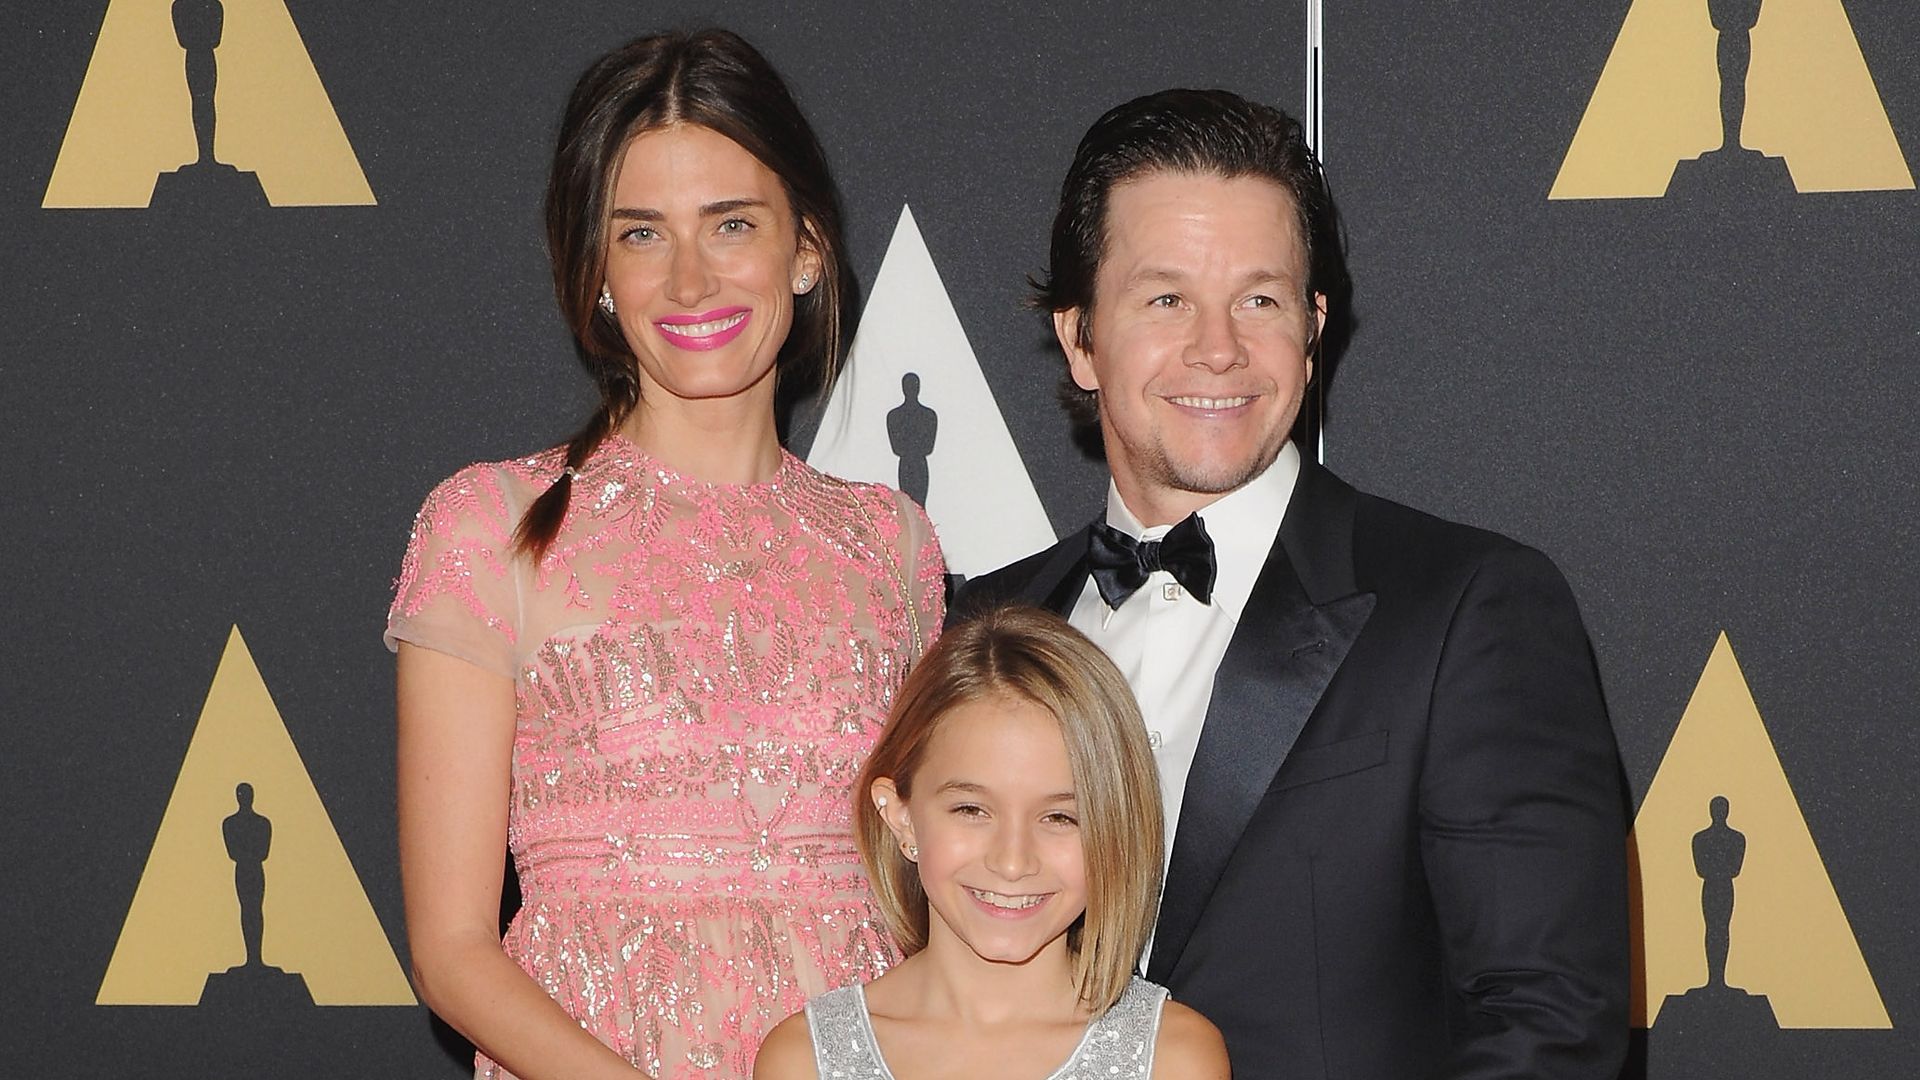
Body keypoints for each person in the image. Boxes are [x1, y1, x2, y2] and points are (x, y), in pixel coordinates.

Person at [954, 89, 1630, 1078]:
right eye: (1165, 298)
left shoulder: (1468, 610)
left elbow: (1550, 1027)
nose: (1218, 347)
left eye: (1260, 299)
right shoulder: (983, 625)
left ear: (1313, 329)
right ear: (1079, 338)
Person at [386, 30, 945, 1080]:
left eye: (732, 224)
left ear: (807, 248)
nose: (690, 279)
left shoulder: (893, 544)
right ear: (597, 268)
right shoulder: (491, 524)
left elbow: (925, 906)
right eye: (641, 235)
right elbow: (453, 952)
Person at [753, 607, 1229, 1079]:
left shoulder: (1173, 1060)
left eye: (1060, 817)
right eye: (972, 811)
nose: (1012, 861)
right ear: (901, 817)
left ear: (1114, 830)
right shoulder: (805, 1062)